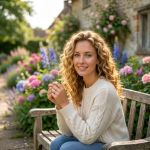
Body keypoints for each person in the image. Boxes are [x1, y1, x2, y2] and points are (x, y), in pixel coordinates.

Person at [47, 30, 129, 150]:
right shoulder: (80, 86)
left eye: (88, 55)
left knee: (67, 149)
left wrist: (65, 103)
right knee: (56, 143)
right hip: (94, 142)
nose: (81, 61)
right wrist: (60, 105)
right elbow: (67, 132)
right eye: (77, 55)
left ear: (98, 59)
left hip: (114, 147)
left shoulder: (104, 90)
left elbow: (88, 137)